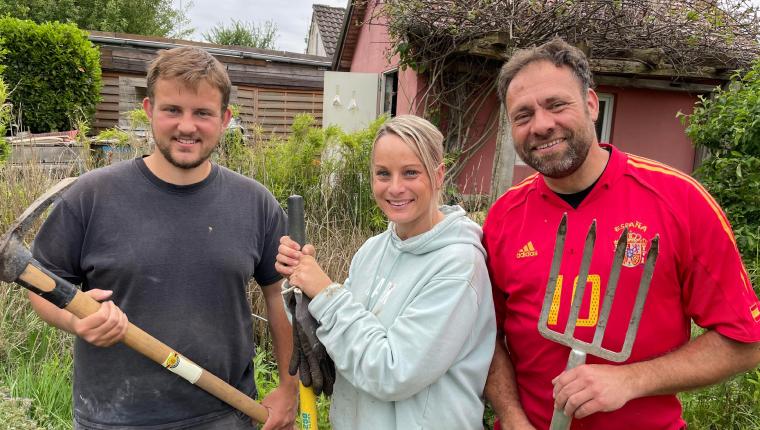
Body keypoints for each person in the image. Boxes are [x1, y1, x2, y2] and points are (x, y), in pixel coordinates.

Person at [482, 37, 760, 430]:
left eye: (557, 105)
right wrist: (510, 417)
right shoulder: (503, 218)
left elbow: (746, 342)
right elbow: (485, 336)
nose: (542, 125)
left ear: (592, 104)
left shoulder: (679, 201)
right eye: (522, 115)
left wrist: (632, 379)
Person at [28, 46, 297, 430]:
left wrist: (288, 387)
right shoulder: (90, 197)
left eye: (202, 113)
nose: (187, 126)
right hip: (116, 417)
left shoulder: (255, 203)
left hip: (227, 414)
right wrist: (77, 320)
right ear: (149, 110)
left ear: (225, 119)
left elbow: (280, 297)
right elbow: (40, 287)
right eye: (173, 110)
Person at [275, 115, 496, 429]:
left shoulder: (459, 264)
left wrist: (325, 292)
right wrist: (303, 292)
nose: (395, 187)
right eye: (383, 173)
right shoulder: (372, 250)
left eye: (410, 172)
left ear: (439, 175)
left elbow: (393, 372)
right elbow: (349, 343)